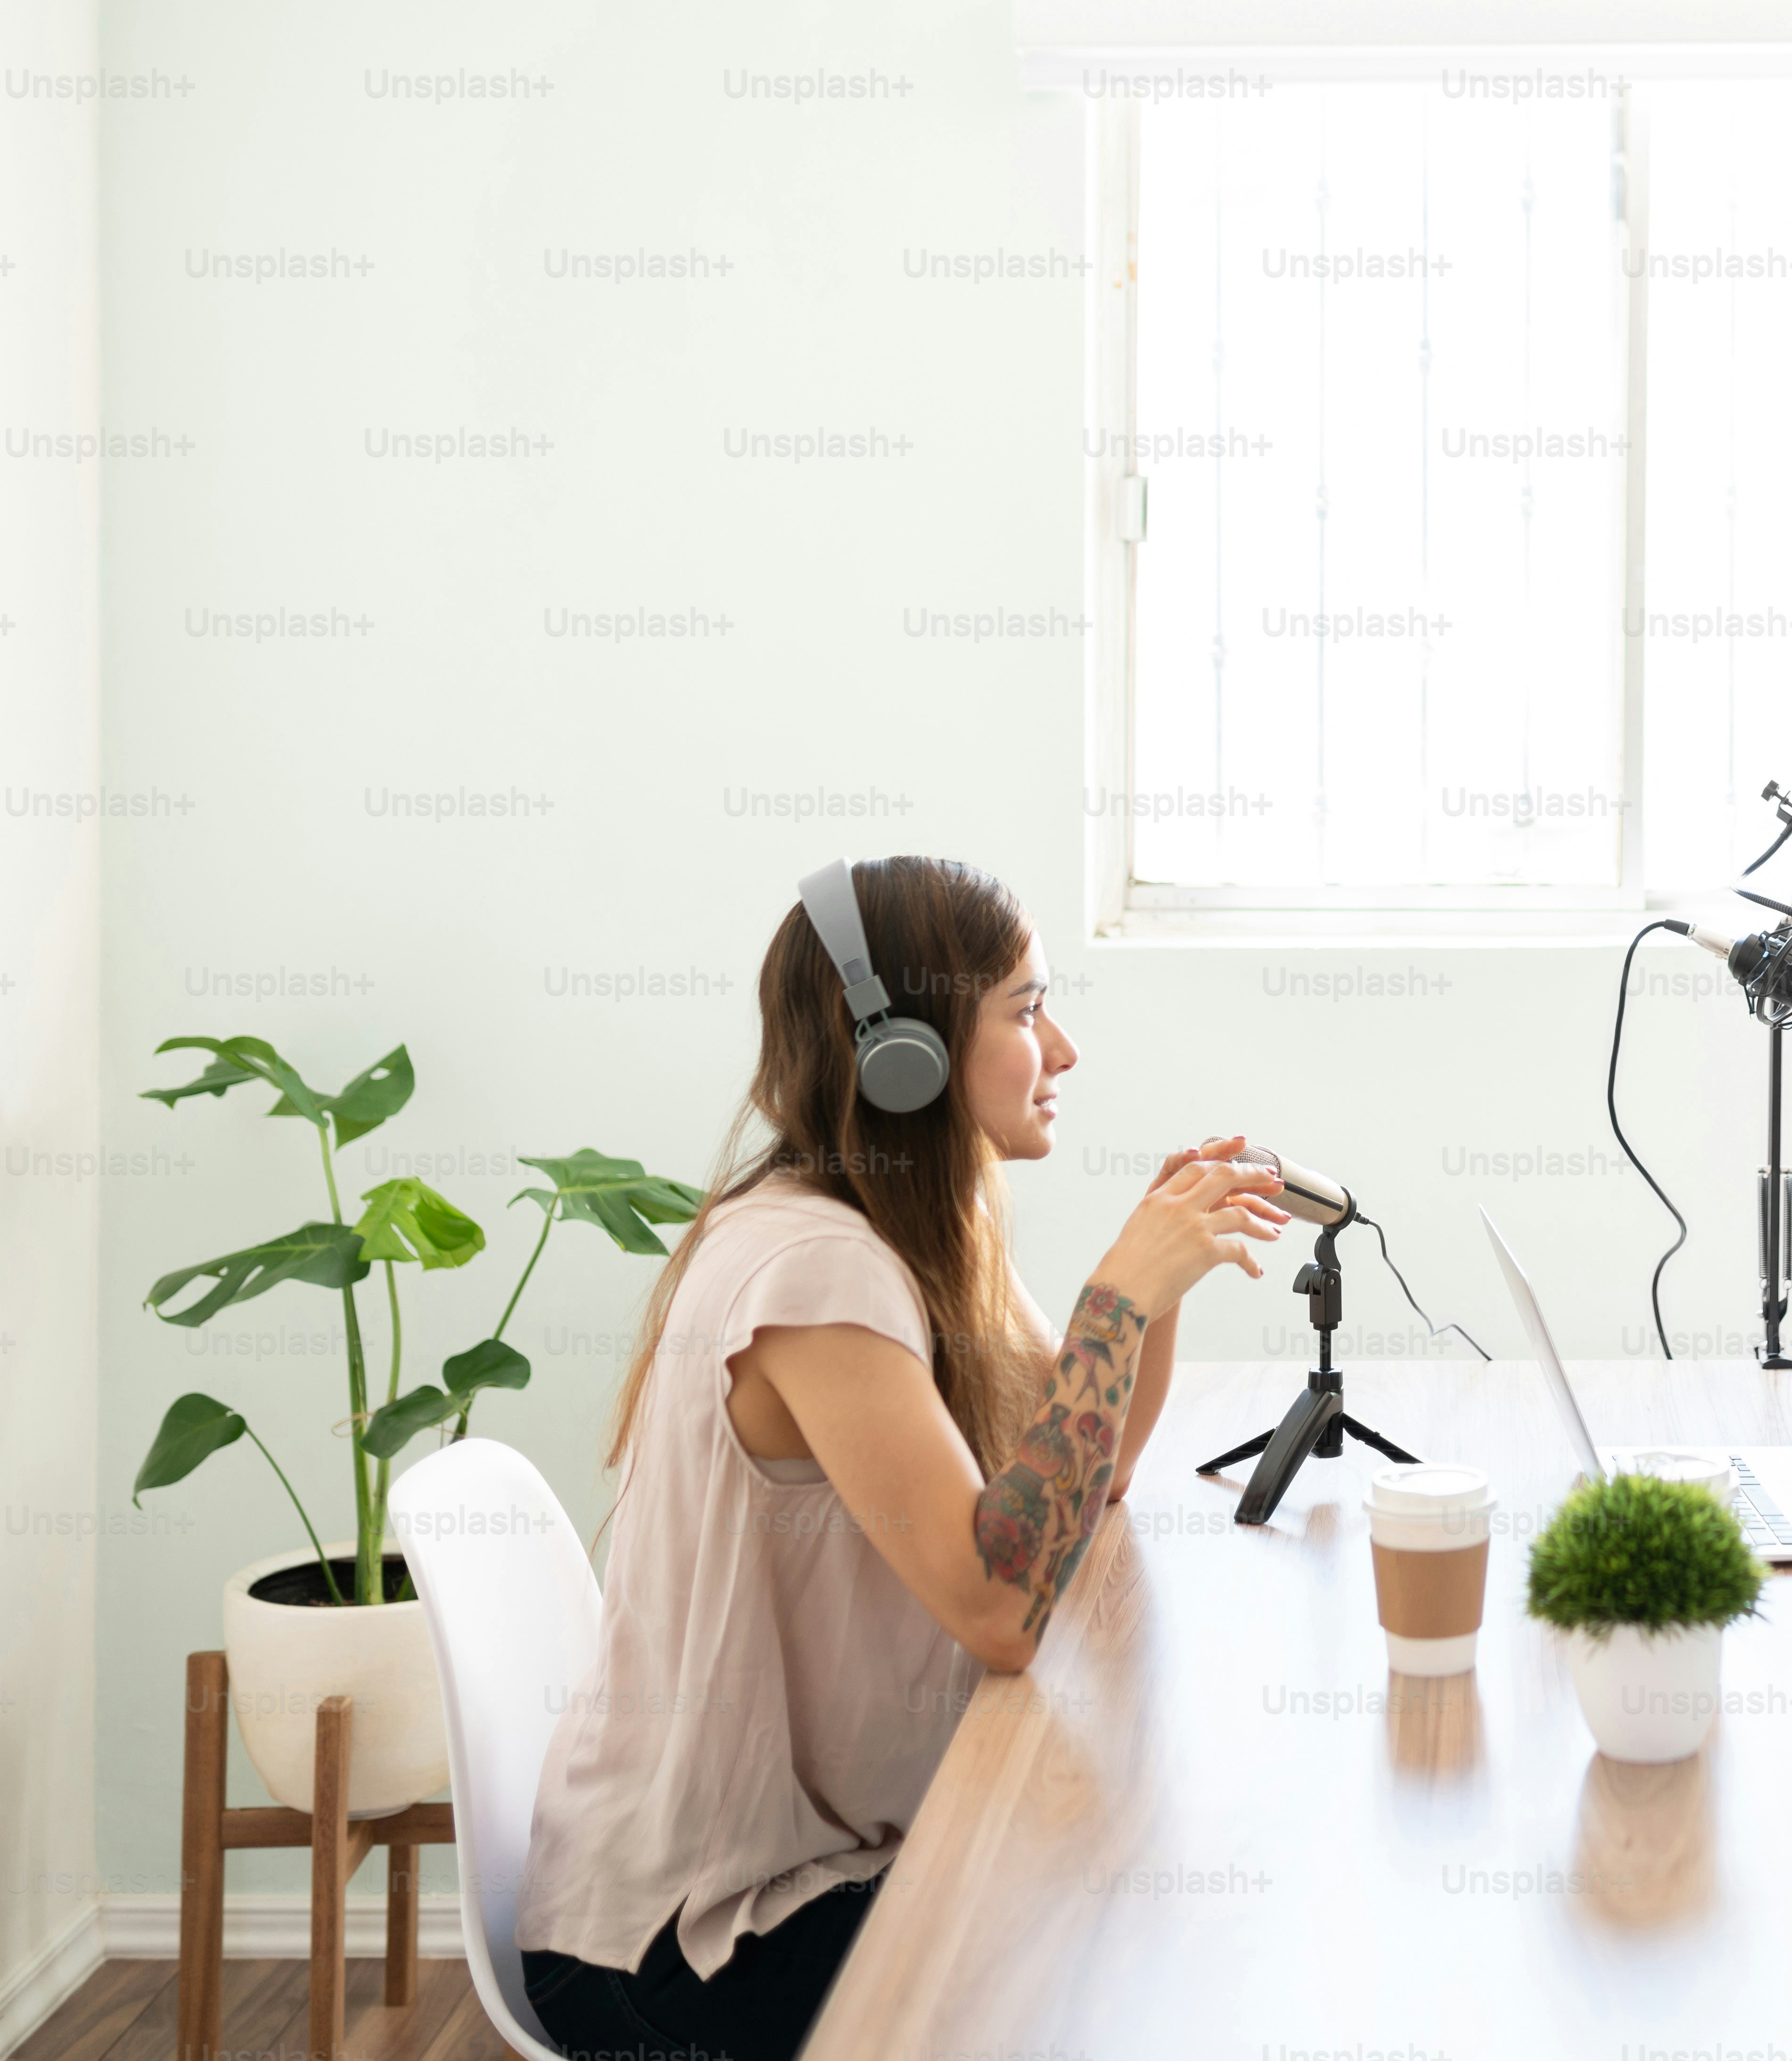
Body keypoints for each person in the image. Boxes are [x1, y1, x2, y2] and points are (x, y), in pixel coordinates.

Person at [518, 856, 1285, 2061]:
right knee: (1132, 1946)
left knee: (1149, 1893)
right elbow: (1001, 1607)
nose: (1064, 1050)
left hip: (820, 1866)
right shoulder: (813, 1270)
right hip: (691, 1940)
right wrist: (1117, 1303)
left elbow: (1087, 1480)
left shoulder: (919, 1231)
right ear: (904, 1056)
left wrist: (1159, 1281)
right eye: (1028, 1012)